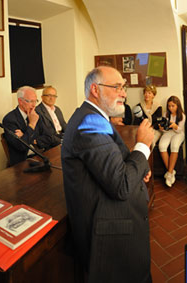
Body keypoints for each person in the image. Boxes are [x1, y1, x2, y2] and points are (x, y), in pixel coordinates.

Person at [62, 66, 154, 282]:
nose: (123, 93)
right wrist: (142, 146)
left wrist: (139, 165)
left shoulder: (95, 118)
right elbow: (120, 184)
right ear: (95, 89)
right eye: (116, 87)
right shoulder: (90, 123)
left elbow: (115, 161)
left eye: (124, 87)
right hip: (111, 237)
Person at [2, 86, 47, 166]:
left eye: (35, 101)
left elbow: (48, 137)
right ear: (20, 101)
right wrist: (32, 124)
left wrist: (26, 137)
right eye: (30, 101)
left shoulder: (37, 114)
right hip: (22, 162)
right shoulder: (10, 119)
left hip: (40, 156)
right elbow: (21, 146)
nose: (34, 105)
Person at [158, 96, 186, 187]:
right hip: (169, 132)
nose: (170, 108)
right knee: (161, 146)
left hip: (178, 133)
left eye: (173, 106)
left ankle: (169, 174)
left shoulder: (182, 115)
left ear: (177, 106)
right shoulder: (166, 114)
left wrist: (175, 126)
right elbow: (165, 130)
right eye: (169, 106)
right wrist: (162, 128)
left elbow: (180, 130)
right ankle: (171, 171)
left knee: (174, 147)